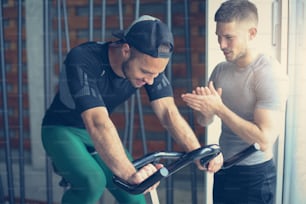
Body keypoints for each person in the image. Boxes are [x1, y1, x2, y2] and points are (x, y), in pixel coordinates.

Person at [41, 15, 222, 204]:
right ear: (126, 50)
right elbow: (97, 122)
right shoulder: (83, 58)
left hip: (94, 133)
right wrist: (130, 174)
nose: (151, 80)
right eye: (145, 72)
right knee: (92, 182)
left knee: (134, 195)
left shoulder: (149, 68)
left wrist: (198, 154)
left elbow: (168, 112)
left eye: (157, 74)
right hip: (60, 129)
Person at [182, 1, 288, 204]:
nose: (221, 45)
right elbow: (205, 121)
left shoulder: (268, 73)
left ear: (252, 33)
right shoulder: (221, 70)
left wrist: (219, 109)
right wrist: (205, 109)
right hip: (224, 169)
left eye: (229, 38)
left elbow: (264, 140)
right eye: (219, 37)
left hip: (255, 176)